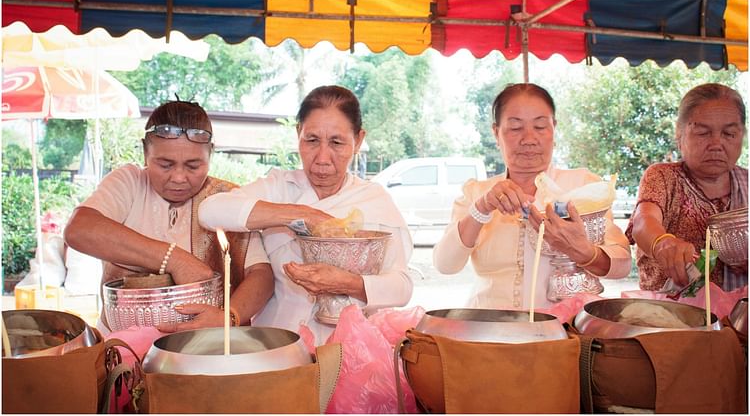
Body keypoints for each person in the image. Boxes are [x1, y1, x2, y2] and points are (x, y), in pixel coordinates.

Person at [199, 85, 413, 344]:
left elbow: (402, 287)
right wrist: (300, 215)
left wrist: (348, 283)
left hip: (350, 352)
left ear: (358, 140)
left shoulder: (373, 200)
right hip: (278, 345)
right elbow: (210, 211)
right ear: (298, 133)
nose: (322, 158)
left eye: (337, 142)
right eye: (311, 140)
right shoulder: (279, 188)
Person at [64, 100, 274, 333]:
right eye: (165, 164)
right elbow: (79, 229)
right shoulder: (130, 183)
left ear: (210, 154)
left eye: (193, 166)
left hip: (202, 349)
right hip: (122, 349)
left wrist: (229, 317)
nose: (178, 177)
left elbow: (261, 275)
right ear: (145, 153)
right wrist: (174, 260)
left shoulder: (226, 199)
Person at [433, 83, 631, 309]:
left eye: (540, 126)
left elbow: (622, 264)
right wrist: (482, 208)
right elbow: (445, 264)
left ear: (554, 129)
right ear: (496, 133)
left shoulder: (583, 185)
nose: (529, 139)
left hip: (564, 331)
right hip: (488, 328)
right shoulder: (477, 193)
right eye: (516, 128)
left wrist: (585, 253)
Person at [627, 83, 747, 291]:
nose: (716, 144)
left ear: (742, 136)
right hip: (670, 316)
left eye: (729, 134)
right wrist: (663, 243)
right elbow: (644, 222)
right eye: (702, 133)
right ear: (680, 134)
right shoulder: (663, 177)